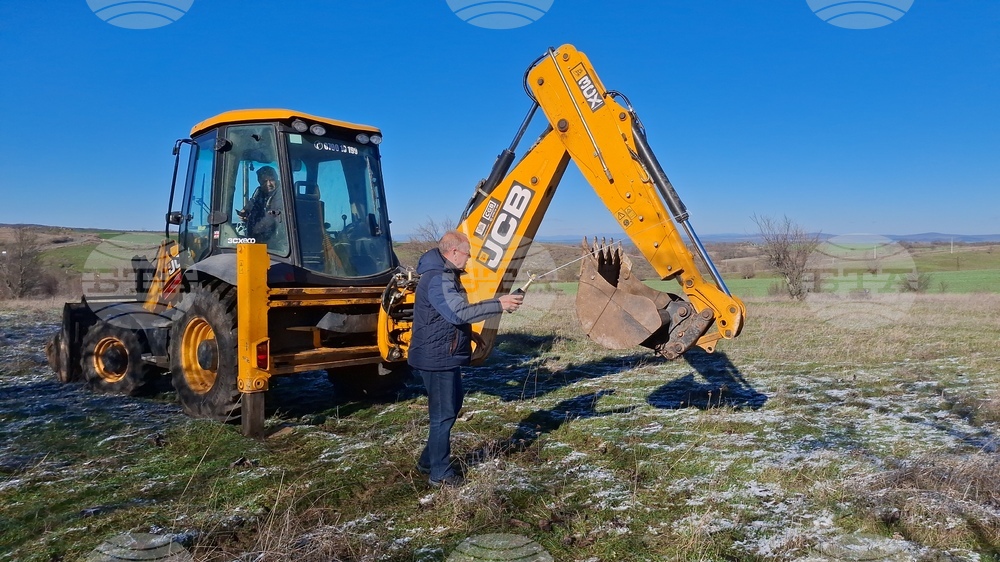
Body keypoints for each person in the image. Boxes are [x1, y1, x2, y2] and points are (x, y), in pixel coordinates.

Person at [408, 231, 523, 487]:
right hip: (437, 357)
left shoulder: (445, 274)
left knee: (451, 406)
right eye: (467, 254)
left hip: (443, 353)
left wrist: (469, 334)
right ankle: (440, 473)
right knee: (443, 414)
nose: (469, 258)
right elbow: (458, 312)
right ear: (454, 252)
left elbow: (442, 316)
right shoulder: (438, 277)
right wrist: (499, 304)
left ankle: (428, 460)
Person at [237, 165, 282, 242]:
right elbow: (252, 202)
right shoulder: (259, 192)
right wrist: (245, 211)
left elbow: (274, 214)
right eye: (264, 181)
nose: (269, 184)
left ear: (276, 179)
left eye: (271, 180)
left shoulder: (282, 193)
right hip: (257, 236)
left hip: (275, 239)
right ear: (259, 182)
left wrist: (255, 231)